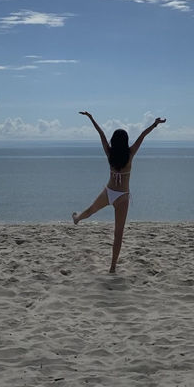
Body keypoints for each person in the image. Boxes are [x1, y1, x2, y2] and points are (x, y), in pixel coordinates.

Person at [72, 111, 166, 273]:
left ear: (113, 141)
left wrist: (91, 118)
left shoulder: (109, 153)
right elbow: (143, 135)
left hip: (108, 192)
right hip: (122, 197)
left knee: (89, 211)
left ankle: (77, 218)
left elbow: (100, 134)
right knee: (118, 234)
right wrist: (155, 124)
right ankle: (113, 267)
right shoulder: (130, 154)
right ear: (126, 141)